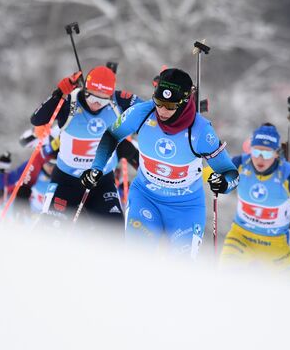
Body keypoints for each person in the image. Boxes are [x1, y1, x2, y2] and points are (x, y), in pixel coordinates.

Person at [80, 68, 239, 257]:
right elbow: (111, 135)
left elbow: (230, 173)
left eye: (170, 106)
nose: (162, 111)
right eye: (159, 103)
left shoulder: (201, 131)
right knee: (136, 259)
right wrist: (96, 168)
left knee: (182, 269)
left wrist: (223, 183)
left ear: (185, 102)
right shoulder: (142, 113)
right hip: (145, 198)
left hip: (185, 208)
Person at [30, 65, 141, 228]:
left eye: (103, 99)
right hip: (66, 180)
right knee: (51, 231)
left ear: (111, 95)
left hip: (102, 182)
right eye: (92, 97)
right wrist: (59, 93)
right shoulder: (70, 103)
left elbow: (151, 114)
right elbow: (37, 119)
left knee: (114, 233)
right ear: (85, 89)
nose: (96, 103)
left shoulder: (120, 102)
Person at [215, 123, 290, 271]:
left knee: (288, 291)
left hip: (275, 245)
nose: (260, 159)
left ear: (277, 153)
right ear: (249, 149)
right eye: (256, 151)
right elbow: (207, 172)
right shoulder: (240, 163)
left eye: (267, 154)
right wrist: (214, 180)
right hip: (240, 238)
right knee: (225, 279)